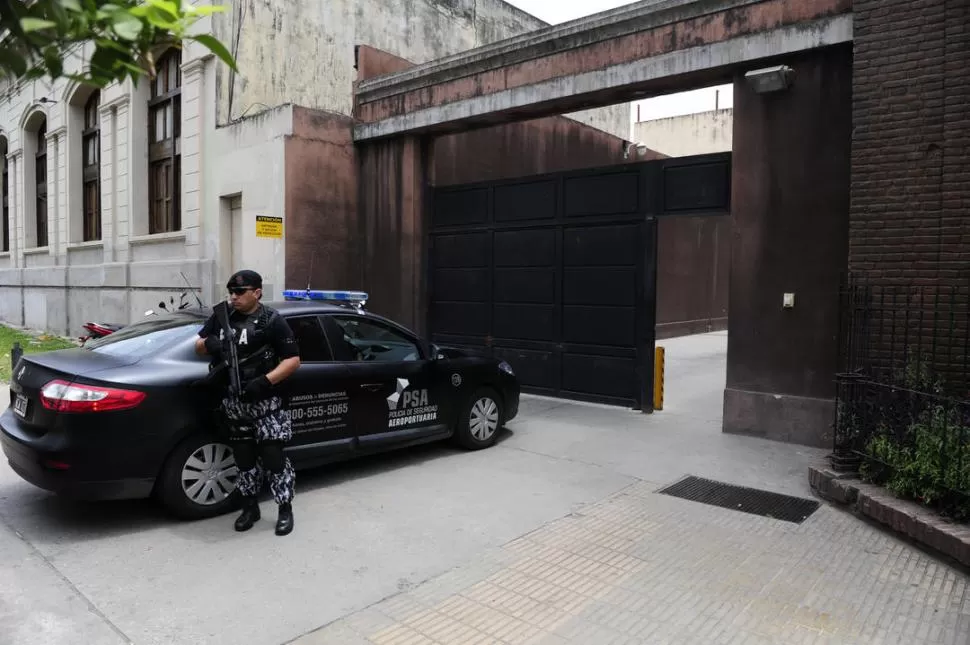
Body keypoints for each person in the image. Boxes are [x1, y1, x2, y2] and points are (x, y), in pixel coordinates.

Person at [195, 270, 301, 536]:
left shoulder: (271, 320)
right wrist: (211, 343)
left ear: (257, 292)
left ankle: (284, 509)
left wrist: (265, 381)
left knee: (274, 458)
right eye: (231, 292)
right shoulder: (222, 317)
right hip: (234, 401)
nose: (234, 297)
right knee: (243, 460)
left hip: (266, 404)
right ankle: (250, 508)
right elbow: (198, 345)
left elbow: (292, 360)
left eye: (240, 292)